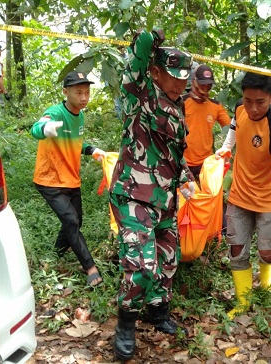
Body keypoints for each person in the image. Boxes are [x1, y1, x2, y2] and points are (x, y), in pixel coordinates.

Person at [109, 28, 195, 361]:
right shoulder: (140, 96)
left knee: (169, 258)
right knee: (141, 266)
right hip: (134, 194)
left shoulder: (178, 105)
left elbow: (170, 151)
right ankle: (126, 323)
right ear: (156, 72)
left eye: (183, 78)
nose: (180, 83)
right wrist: (149, 38)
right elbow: (136, 61)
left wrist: (185, 177)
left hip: (164, 198)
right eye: (173, 77)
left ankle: (157, 311)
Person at [215, 72, 271, 319]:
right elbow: (235, 124)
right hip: (240, 196)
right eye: (247, 100)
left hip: (269, 199)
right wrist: (226, 147)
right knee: (236, 250)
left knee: (267, 252)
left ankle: (266, 290)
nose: (252, 108)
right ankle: (243, 301)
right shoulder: (240, 108)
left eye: (260, 102)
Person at [31, 70, 105, 288]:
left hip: (71, 178)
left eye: (87, 93)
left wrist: (91, 149)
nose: (84, 97)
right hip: (49, 179)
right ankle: (90, 267)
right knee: (71, 221)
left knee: (75, 221)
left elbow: (75, 142)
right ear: (66, 92)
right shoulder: (55, 112)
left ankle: (55, 256)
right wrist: (45, 128)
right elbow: (37, 127)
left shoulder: (80, 115)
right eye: (78, 92)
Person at [183, 64, 231, 179]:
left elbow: (231, 128)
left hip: (206, 163)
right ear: (194, 81)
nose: (205, 87)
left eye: (208, 85)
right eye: (202, 84)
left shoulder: (215, 106)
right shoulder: (182, 102)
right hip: (183, 163)